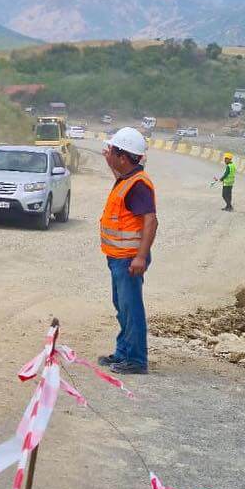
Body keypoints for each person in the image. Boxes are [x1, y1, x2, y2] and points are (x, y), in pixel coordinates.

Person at [97, 127, 158, 376]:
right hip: (119, 258)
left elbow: (150, 220)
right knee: (122, 307)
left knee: (131, 308)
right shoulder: (126, 178)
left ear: (123, 157)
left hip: (130, 260)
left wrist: (141, 256)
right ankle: (123, 353)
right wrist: (109, 161)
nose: (108, 153)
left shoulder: (138, 185)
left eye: (111, 151)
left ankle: (135, 359)